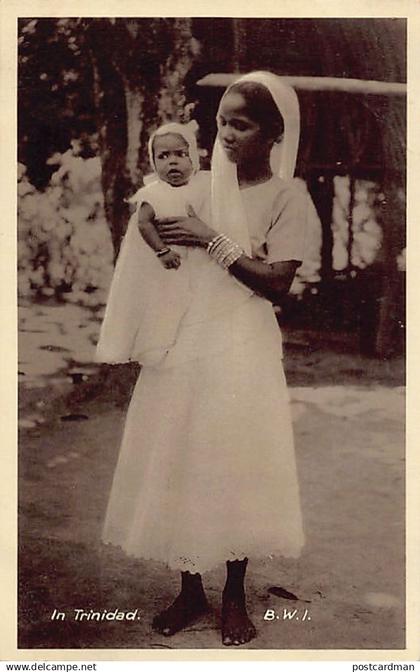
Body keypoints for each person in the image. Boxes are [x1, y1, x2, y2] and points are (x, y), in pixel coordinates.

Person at [100, 71, 308, 647]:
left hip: (243, 340)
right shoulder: (197, 183)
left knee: (234, 457)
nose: (226, 133)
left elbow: (276, 284)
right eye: (221, 122)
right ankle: (190, 589)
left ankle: (234, 594)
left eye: (240, 124)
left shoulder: (287, 196)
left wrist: (209, 238)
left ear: (272, 133)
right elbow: (149, 216)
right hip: (187, 336)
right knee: (181, 452)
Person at [95, 121, 212, 367]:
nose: (172, 162)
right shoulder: (154, 194)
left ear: (193, 156)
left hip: (198, 259)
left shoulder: (204, 187)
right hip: (166, 263)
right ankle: (158, 347)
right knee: (165, 304)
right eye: (163, 156)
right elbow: (144, 224)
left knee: (195, 307)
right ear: (153, 161)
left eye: (180, 154)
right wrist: (162, 250)